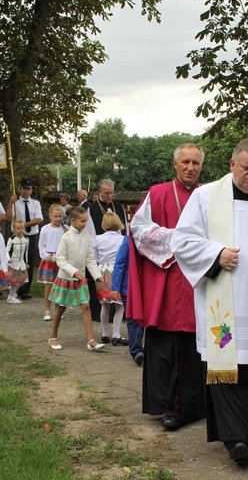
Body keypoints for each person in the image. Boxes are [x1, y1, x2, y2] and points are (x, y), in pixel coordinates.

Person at [171, 138, 248, 465]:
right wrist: (216, 254)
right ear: (232, 164)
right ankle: (235, 439)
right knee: (226, 366)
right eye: (246, 167)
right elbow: (182, 241)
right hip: (225, 304)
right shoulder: (206, 197)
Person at [128, 143, 206, 430]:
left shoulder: (208, 196)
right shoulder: (157, 193)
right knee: (164, 344)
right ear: (175, 164)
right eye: (185, 162)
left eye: (195, 163)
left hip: (198, 280)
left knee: (195, 346)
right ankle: (163, 405)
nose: (190, 167)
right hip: (167, 279)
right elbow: (139, 229)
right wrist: (179, 240)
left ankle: (191, 406)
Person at [47, 206, 106, 352]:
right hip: (66, 278)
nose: (84, 224)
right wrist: (73, 272)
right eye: (82, 221)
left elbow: (90, 259)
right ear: (73, 221)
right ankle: (53, 337)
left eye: (86, 221)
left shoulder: (86, 237)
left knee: (86, 306)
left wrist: (97, 275)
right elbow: (60, 259)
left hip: (80, 280)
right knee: (60, 308)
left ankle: (91, 340)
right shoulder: (66, 237)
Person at [93, 213, 128, 345]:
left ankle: (104, 333)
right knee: (119, 306)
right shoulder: (122, 239)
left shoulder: (97, 239)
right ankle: (116, 334)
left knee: (105, 304)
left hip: (102, 271)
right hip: (117, 271)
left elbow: (95, 258)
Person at [110, 234, 143, 365]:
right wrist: (115, 287)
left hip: (146, 287)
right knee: (134, 319)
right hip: (129, 287)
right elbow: (120, 262)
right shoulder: (129, 239)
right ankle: (137, 351)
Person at [8, 179, 43, 300]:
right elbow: (8, 217)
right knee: (16, 260)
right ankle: (14, 286)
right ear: (20, 189)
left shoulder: (35, 203)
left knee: (29, 262)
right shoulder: (15, 203)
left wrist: (23, 226)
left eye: (29, 188)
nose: (26, 190)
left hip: (31, 236)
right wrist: (10, 202)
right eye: (24, 188)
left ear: (31, 190)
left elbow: (38, 219)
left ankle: (25, 289)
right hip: (17, 236)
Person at [38, 204, 67, 321]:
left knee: (60, 285)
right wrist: (45, 255)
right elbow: (41, 245)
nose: (58, 218)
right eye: (55, 216)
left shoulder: (66, 229)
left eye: (60, 216)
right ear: (50, 216)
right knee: (49, 285)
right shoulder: (45, 229)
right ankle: (47, 309)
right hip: (49, 259)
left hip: (60, 259)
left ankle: (58, 309)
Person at [5, 220, 29, 304]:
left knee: (24, 280)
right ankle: (11, 297)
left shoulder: (26, 239)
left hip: (21, 262)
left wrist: (26, 262)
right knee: (14, 281)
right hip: (13, 263)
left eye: (22, 228)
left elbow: (26, 251)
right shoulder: (12, 239)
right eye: (18, 228)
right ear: (14, 229)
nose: (20, 230)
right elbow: (6, 250)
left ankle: (12, 290)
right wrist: (8, 259)